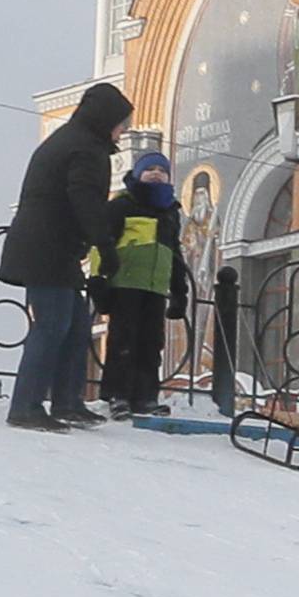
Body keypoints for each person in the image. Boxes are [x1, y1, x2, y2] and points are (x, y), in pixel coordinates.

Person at [0, 82, 130, 430]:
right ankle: (26, 405)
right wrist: (104, 244)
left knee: (74, 324)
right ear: (106, 119)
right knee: (53, 324)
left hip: (53, 247)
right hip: (45, 247)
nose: (122, 133)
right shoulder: (85, 149)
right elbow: (85, 200)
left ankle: (67, 401)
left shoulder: (75, 140)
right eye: (122, 124)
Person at [93, 153, 191, 417]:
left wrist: (179, 291)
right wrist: (98, 279)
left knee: (151, 342)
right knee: (123, 339)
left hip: (155, 286)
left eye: (162, 169)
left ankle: (146, 396)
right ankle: (118, 394)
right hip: (126, 282)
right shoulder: (123, 205)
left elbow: (174, 252)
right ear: (138, 174)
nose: (156, 173)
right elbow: (103, 242)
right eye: (150, 169)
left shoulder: (170, 211)